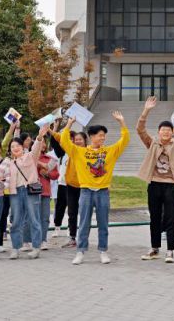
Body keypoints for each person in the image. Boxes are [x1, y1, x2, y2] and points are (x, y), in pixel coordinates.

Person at [60, 112, 130, 265]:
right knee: (84, 222)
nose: (102, 138)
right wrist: (69, 124)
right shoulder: (80, 152)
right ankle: (80, 251)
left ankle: (103, 251)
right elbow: (64, 141)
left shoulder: (109, 151)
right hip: (85, 191)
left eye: (104, 136)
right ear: (91, 137)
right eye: (99, 135)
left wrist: (122, 122)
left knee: (103, 222)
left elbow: (124, 140)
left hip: (103, 191)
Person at [136, 96, 174, 263]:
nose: (165, 132)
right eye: (163, 130)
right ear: (159, 132)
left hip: (170, 186)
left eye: (168, 130)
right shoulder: (152, 143)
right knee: (154, 217)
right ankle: (154, 248)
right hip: (153, 184)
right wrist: (146, 110)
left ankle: (170, 251)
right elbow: (140, 130)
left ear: (171, 132)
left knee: (171, 218)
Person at [7, 126, 49, 260]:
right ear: (10, 150)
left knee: (34, 219)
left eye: (17, 145)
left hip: (30, 191)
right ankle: (15, 248)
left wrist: (39, 137)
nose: (15, 148)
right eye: (12, 147)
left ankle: (36, 248)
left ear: (22, 146)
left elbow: (36, 147)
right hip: (15, 193)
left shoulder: (31, 157)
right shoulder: (9, 163)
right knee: (16, 221)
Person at [50, 127, 86, 247]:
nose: (77, 141)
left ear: (85, 140)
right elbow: (59, 139)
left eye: (80, 139)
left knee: (85, 212)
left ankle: (83, 237)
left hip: (85, 185)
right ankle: (72, 236)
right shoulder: (69, 150)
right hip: (69, 184)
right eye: (75, 139)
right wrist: (52, 130)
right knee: (71, 211)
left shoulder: (89, 152)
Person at [36, 138, 59, 249]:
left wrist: (47, 173)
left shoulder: (49, 159)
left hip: (45, 191)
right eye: (40, 142)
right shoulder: (29, 158)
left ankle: (43, 240)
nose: (43, 144)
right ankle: (30, 240)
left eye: (44, 142)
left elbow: (55, 175)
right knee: (31, 217)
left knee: (44, 217)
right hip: (31, 192)